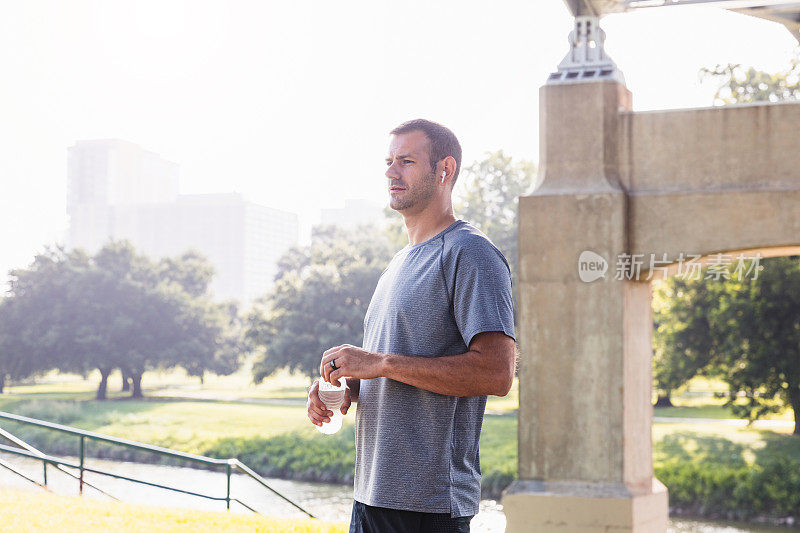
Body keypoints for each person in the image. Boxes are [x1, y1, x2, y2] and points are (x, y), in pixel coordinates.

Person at [306, 119, 516, 533]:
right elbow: (393, 371)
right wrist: (345, 389)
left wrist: (379, 362)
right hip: (371, 496)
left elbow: (497, 372)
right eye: (388, 161)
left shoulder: (470, 253)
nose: (391, 172)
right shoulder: (397, 264)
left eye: (406, 160)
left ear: (445, 170)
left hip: (428, 507)